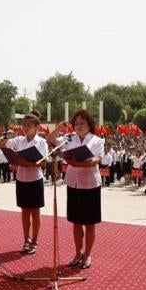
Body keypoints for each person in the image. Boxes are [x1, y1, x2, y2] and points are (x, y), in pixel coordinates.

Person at [48, 109, 104, 269]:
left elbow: (96, 159)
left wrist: (78, 163)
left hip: (90, 184)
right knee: (76, 221)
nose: (79, 126)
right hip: (73, 182)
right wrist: (58, 128)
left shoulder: (96, 140)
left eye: (83, 123)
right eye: (76, 123)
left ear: (89, 124)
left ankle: (87, 254)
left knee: (90, 222)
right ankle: (78, 252)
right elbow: (50, 141)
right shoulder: (68, 138)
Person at [0, 110, 48, 255]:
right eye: (24, 125)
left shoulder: (41, 142)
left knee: (35, 211)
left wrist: (26, 162)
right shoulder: (19, 140)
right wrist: (4, 137)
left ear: (37, 127)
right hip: (21, 179)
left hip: (35, 179)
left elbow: (44, 163)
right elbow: (3, 145)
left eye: (29, 125)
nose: (25, 128)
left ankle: (34, 240)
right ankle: (26, 240)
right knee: (24, 211)